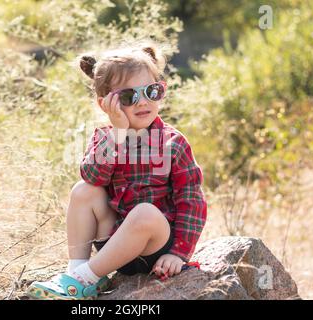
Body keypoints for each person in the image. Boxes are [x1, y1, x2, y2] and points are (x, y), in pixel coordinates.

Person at [26, 40, 207, 300]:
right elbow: (93, 176)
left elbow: (192, 200)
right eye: (128, 96)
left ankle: (84, 277)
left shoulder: (173, 143)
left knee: (144, 212)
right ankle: (79, 273)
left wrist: (178, 253)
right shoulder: (106, 138)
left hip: (154, 246)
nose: (143, 102)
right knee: (84, 190)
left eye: (151, 91)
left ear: (161, 90)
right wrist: (119, 135)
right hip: (115, 245)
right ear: (106, 105)